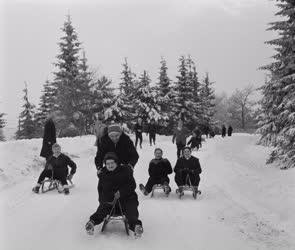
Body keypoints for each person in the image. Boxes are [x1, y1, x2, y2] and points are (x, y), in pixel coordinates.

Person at [85, 152, 143, 238]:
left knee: (131, 212)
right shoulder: (103, 174)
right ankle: (91, 223)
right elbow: (100, 189)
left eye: (112, 163)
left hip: (127, 199)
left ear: (116, 162)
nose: (110, 165)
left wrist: (121, 192)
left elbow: (132, 185)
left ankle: (136, 227)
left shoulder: (125, 170)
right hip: (110, 201)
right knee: (101, 210)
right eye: (108, 164)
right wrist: (102, 201)